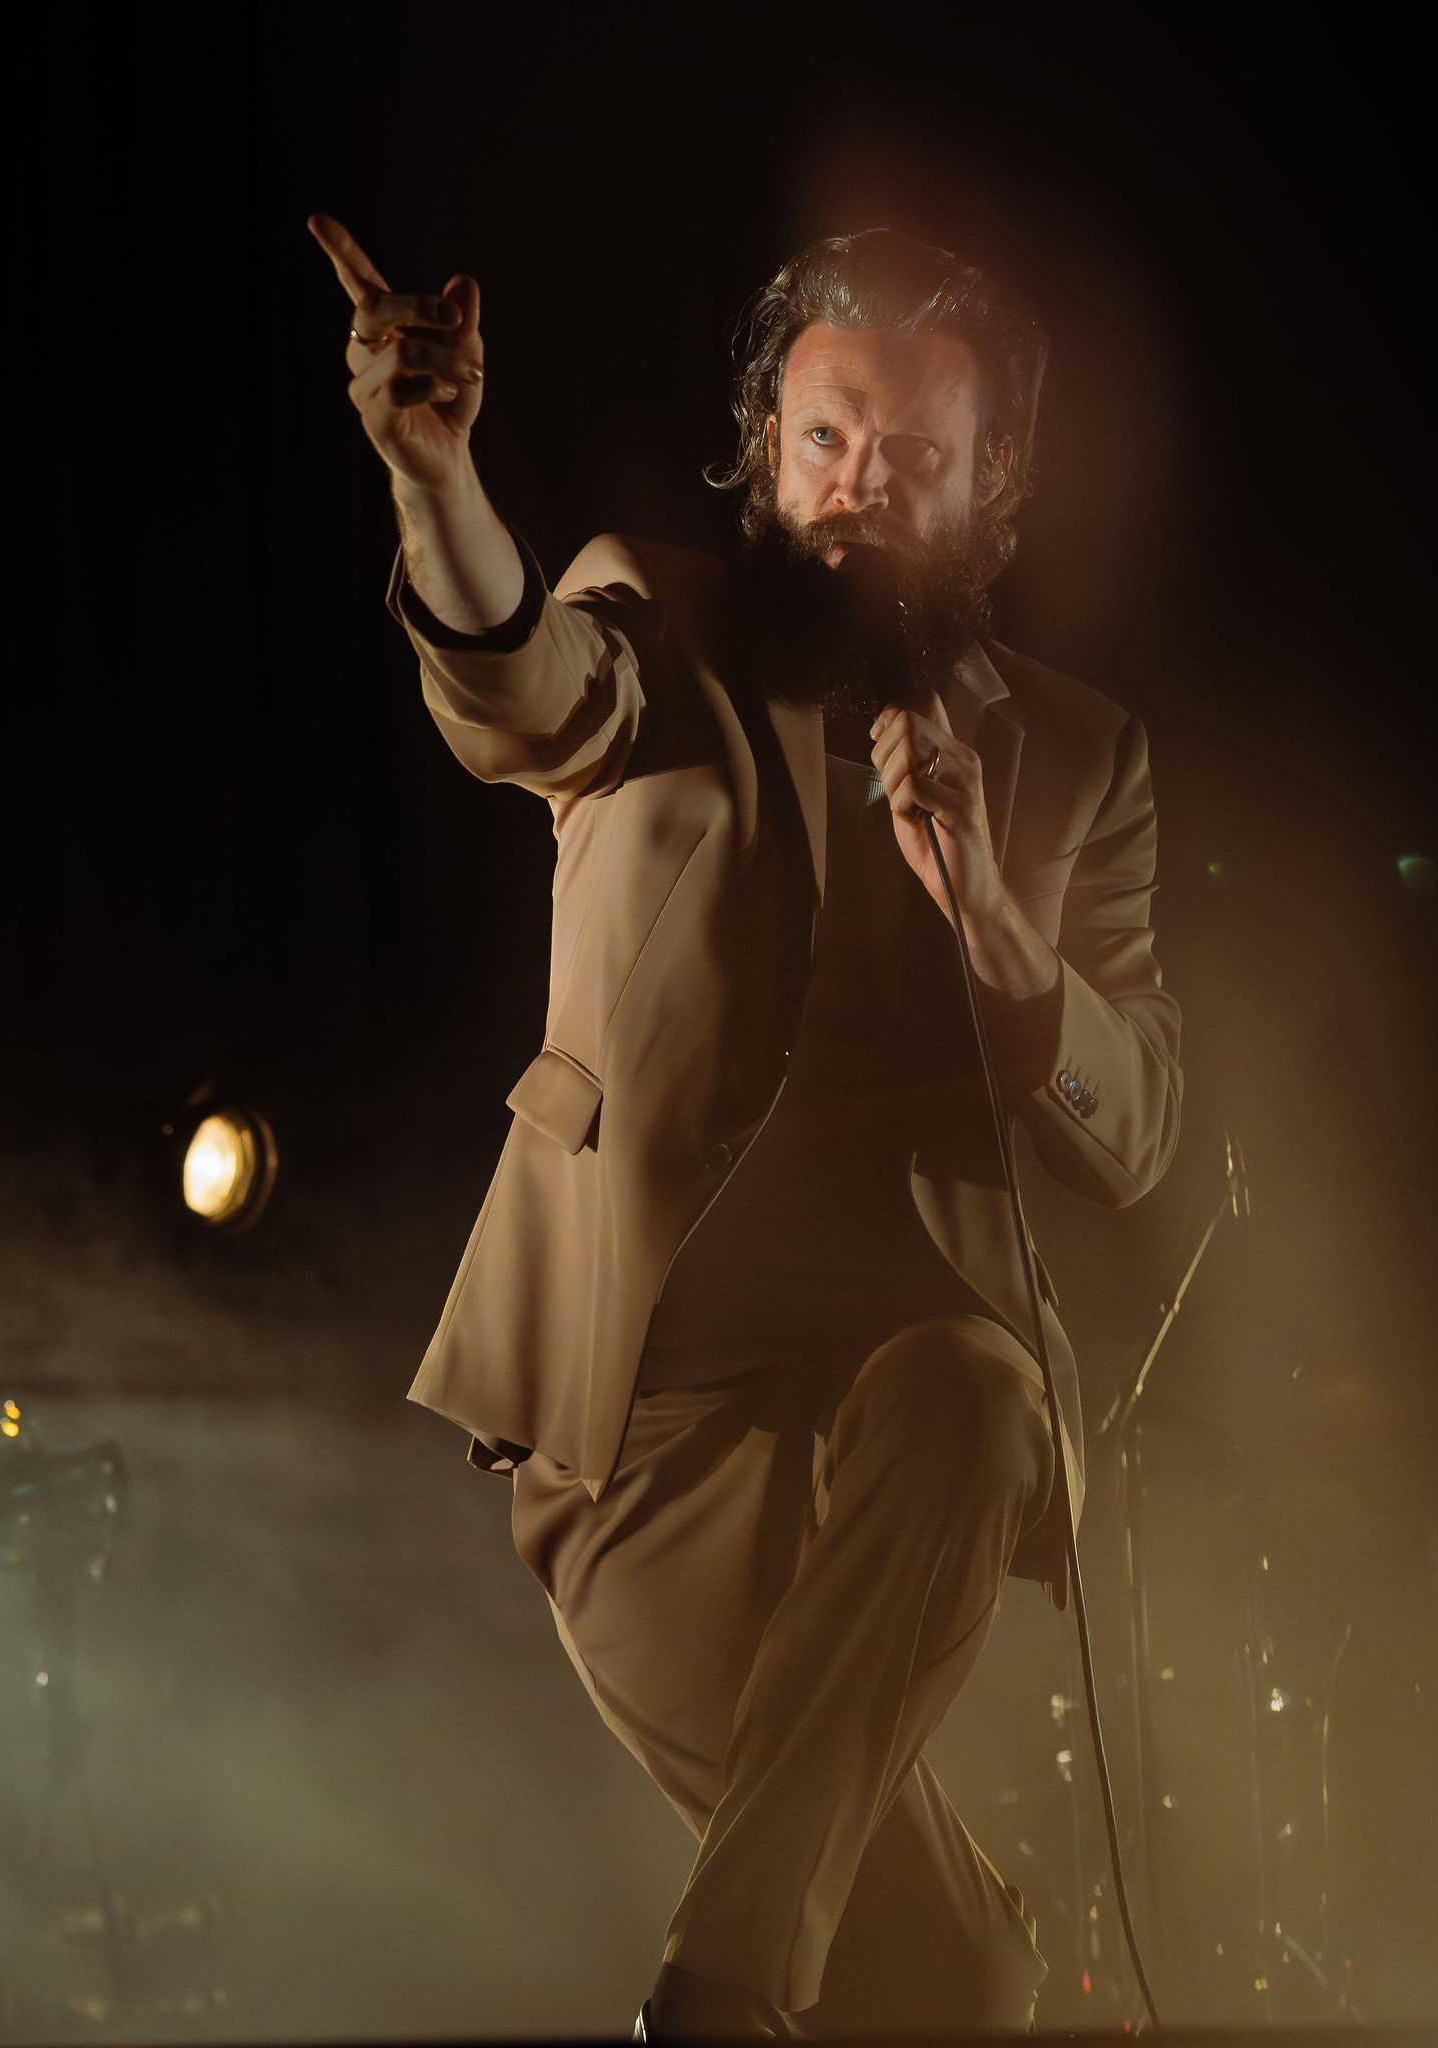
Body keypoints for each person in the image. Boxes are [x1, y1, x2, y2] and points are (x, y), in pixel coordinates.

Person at [310, 213, 1182, 2034]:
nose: (860, 489)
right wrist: (436, 481)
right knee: (952, 1980)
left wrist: (996, 920)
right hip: (643, 1420)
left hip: (910, 1416)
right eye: (826, 442)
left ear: (989, 485)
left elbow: (1137, 1134)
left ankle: (699, 2011)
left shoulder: (1081, 758)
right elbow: (526, 690)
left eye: (914, 457)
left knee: (982, 1397)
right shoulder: (659, 621)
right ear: (768, 454)